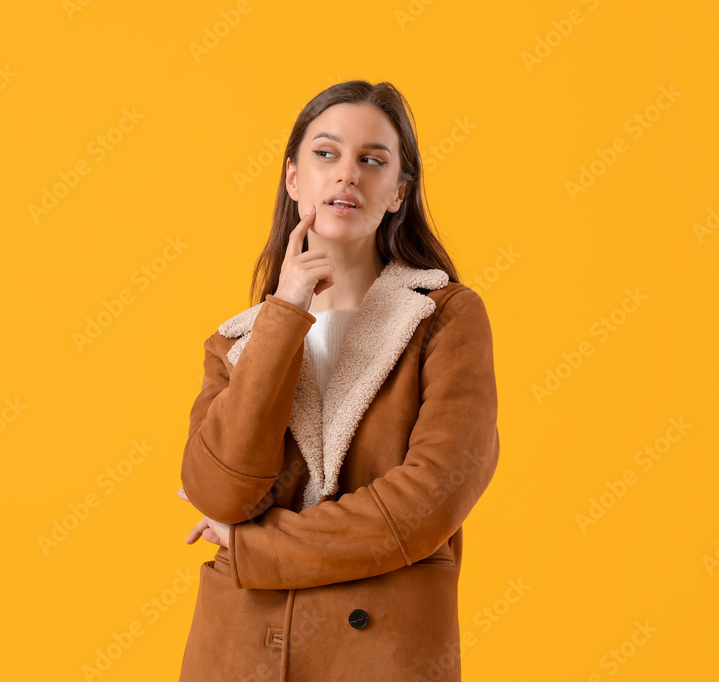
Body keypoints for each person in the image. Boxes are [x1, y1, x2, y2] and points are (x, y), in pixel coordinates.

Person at [175, 80, 500, 682]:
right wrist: (286, 309)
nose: (347, 174)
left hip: (381, 656)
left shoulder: (444, 316)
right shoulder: (237, 340)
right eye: (326, 154)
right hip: (238, 650)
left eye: (372, 160)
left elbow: (429, 504)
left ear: (399, 192)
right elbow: (219, 492)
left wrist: (256, 548)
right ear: (293, 178)